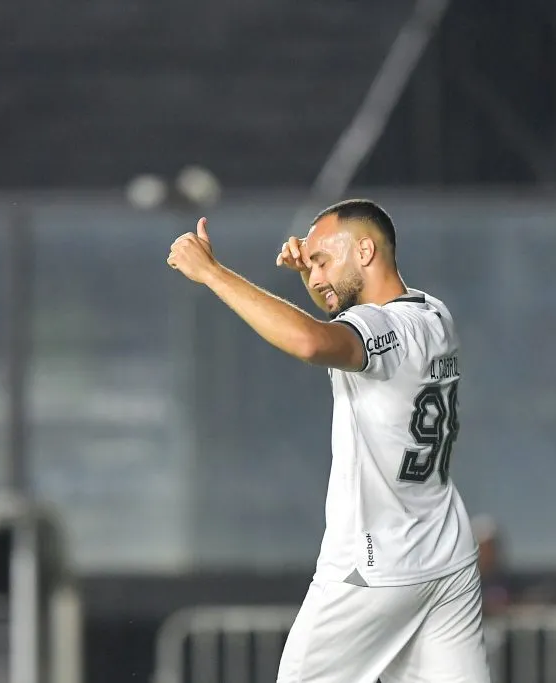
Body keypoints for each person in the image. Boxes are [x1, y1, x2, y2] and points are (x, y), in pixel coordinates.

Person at [167, 199, 490, 683]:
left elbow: (314, 342)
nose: (315, 274)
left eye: (322, 260)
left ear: (364, 250)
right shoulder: (434, 315)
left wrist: (212, 273)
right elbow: (342, 321)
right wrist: (315, 276)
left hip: (373, 566)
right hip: (445, 558)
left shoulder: (384, 331)